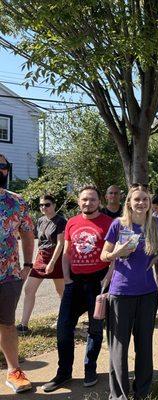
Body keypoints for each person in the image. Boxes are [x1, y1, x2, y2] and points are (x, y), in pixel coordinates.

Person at [100, 184, 158, 400]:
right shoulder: (118, 224)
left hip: (148, 294)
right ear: (129, 203)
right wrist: (117, 252)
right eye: (137, 199)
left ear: (150, 203)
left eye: (145, 199)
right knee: (118, 348)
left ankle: (142, 392)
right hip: (120, 294)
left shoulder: (157, 224)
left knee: (144, 345)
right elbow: (104, 255)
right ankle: (120, 395)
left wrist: (156, 257)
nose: (141, 203)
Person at [43, 185, 113, 392]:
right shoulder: (72, 222)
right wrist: (66, 279)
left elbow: (114, 256)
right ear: (79, 200)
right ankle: (63, 372)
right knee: (64, 327)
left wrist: (107, 279)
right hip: (74, 283)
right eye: (84, 199)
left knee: (95, 329)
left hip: (97, 284)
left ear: (99, 201)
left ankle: (89, 368)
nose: (87, 203)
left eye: (92, 199)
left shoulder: (109, 223)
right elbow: (66, 253)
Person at [0, 154, 34, 393]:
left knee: (7, 324)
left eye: (3, 166)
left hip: (9, 275)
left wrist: (28, 264)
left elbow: (28, 233)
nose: (1, 170)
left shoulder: (17, 202)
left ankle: (14, 371)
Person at [17, 195, 66, 334]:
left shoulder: (61, 221)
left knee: (61, 292)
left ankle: (64, 321)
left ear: (54, 205)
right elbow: (37, 240)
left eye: (47, 204)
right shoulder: (40, 220)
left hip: (55, 258)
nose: (44, 207)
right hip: (41, 257)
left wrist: (52, 262)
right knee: (29, 289)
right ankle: (23, 325)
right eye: (41, 205)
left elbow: (61, 243)